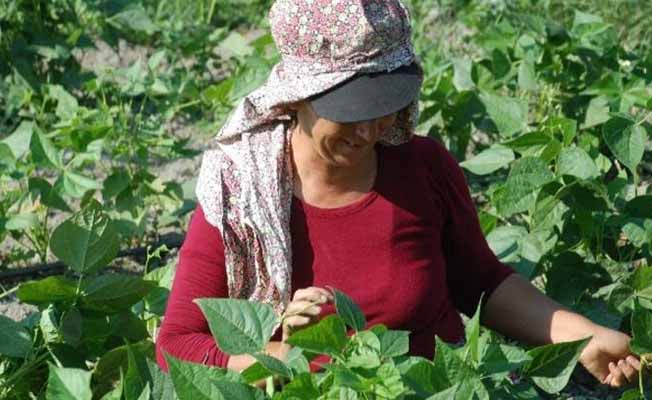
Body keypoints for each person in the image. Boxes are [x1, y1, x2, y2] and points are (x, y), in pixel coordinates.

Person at [155, 0, 641, 389]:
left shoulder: (422, 166)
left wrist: (585, 337)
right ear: (299, 93)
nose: (369, 130)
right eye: (349, 111)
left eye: (384, 107)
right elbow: (176, 343)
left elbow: (481, 283)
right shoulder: (242, 192)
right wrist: (278, 358)